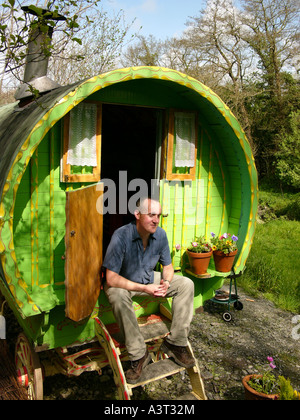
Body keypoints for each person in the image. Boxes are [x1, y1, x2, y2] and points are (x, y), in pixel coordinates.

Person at [103, 197, 195, 384]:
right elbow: (111, 278)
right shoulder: (121, 236)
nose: (155, 220)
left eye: (158, 216)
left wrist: (166, 283)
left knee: (186, 284)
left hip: (147, 278)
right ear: (137, 215)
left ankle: (176, 343)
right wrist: (145, 288)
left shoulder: (160, 235)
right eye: (151, 215)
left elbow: (167, 267)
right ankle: (138, 355)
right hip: (124, 282)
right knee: (116, 293)